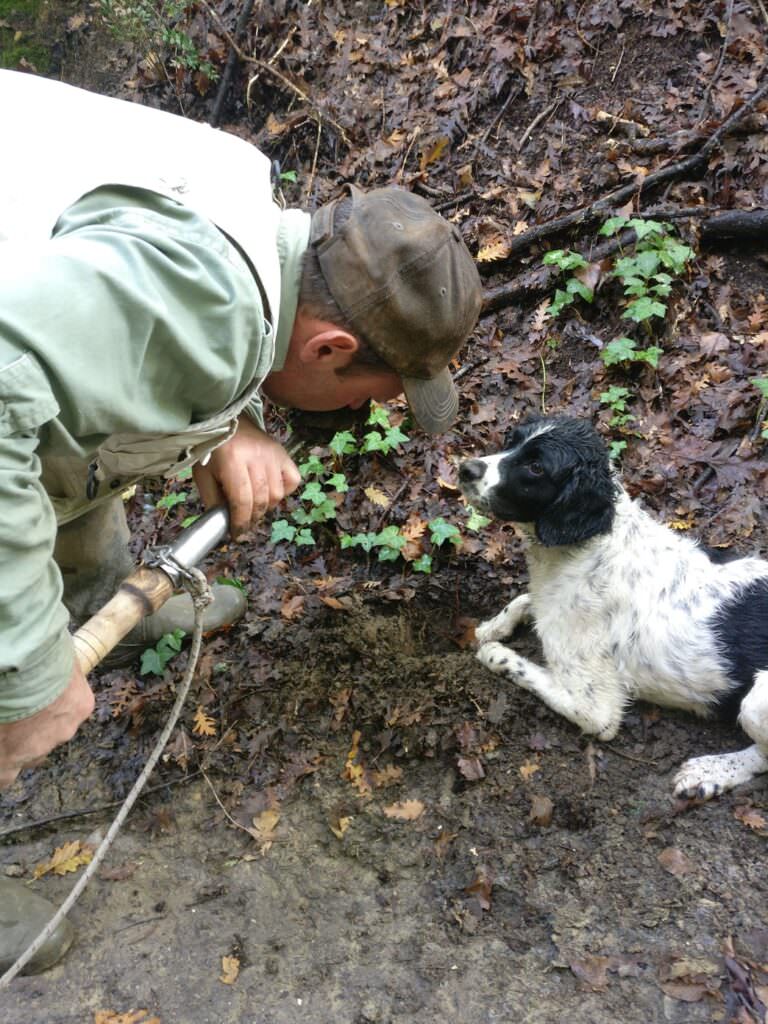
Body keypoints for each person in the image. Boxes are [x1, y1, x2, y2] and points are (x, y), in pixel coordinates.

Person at [0, 70, 482, 972]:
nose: (368, 413)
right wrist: (25, 675)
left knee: (70, 433)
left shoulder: (240, 192)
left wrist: (236, 417)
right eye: (374, 394)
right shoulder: (203, 308)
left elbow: (90, 364)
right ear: (330, 347)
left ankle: (103, 601)